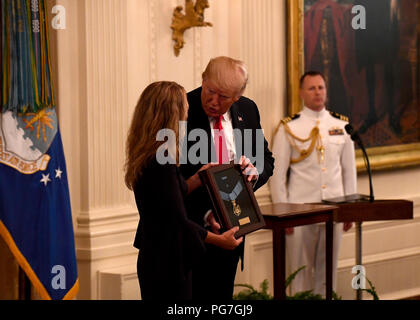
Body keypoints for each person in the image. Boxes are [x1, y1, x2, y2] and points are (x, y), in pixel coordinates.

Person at [124, 81, 243, 300]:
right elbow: (177, 221)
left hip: (158, 254)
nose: (187, 114)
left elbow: (168, 197)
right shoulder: (161, 162)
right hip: (167, 262)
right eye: (184, 108)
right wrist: (221, 241)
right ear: (172, 114)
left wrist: (201, 176)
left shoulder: (151, 153)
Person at [181, 56, 275, 300]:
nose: (213, 102)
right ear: (203, 80)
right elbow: (172, 178)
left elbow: (265, 160)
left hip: (232, 231)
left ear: (237, 96)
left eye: (223, 97)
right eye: (210, 91)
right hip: (189, 236)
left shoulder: (247, 109)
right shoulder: (181, 109)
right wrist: (206, 212)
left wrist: (253, 175)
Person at [270, 71, 357, 296]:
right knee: (298, 272)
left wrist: (351, 210)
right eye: (311, 88)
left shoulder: (342, 125)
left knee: (328, 271)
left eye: (321, 87)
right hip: (299, 210)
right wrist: (283, 213)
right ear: (301, 93)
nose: (317, 92)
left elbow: (349, 171)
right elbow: (277, 175)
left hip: (334, 209)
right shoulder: (289, 127)